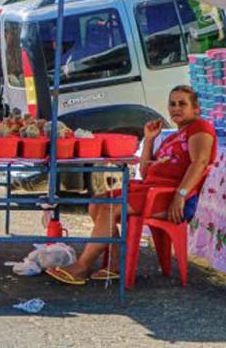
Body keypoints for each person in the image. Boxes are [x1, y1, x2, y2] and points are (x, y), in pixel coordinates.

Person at [47, 85, 217, 285]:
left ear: (196, 109)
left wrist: (180, 195)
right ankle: (115, 263)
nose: (176, 108)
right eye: (172, 104)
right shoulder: (171, 137)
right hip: (149, 190)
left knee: (111, 208)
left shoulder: (200, 128)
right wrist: (149, 140)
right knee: (98, 201)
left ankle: (82, 266)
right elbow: (145, 173)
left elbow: (200, 162)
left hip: (169, 196)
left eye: (182, 104)